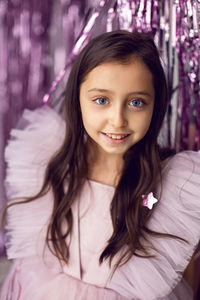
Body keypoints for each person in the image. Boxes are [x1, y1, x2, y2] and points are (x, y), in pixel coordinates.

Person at [0, 30, 200, 300]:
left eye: (137, 102)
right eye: (102, 100)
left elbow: (180, 269)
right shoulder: (50, 161)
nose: (118, 120)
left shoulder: (174, 186)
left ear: (156, 106)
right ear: (78, 99)